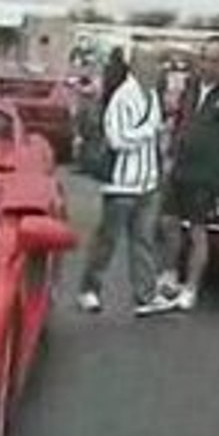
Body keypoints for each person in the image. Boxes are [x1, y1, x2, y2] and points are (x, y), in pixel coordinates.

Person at [77, 47, 178, 317]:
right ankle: (89, 289)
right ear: (137, 66)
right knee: (107, 241)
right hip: (122, 184)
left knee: (143, 241)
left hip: (148, 183)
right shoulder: (123, 97)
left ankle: (144, 296)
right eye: (153, 62)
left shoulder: (153, 96)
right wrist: (150, 131)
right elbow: (117, 139)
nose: (158, 68)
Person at [157, 39, 219, 310]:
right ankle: (170, 276)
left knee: (198, 232)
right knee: (168, 223)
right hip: (179, 168)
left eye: (214, 60)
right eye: (205, 59)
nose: (207, 65)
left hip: (207, 176)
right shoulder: (191, 88)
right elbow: (179, 123)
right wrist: (169, 154)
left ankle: (191, 288)